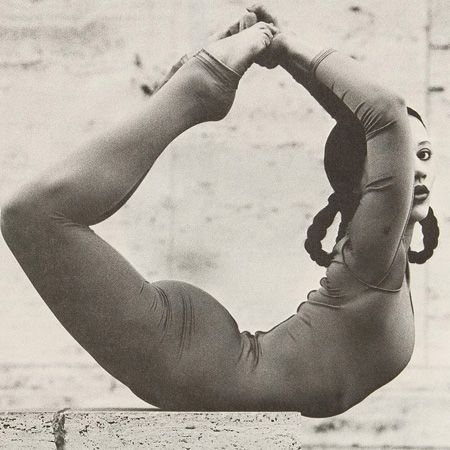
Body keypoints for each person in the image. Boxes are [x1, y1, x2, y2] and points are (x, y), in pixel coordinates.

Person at [0, 4, 439, 418]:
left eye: (424, 155)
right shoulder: (371, 256)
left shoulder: (383, 252)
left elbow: (370, 128)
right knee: (32, 216)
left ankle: (191, 88)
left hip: (201, 355)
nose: (415, 172)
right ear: (369, 181)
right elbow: (385, 115)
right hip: (192, 361)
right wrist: (282, 45)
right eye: (403, 160)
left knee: (38, 217)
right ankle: (195, 87)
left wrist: (290, 60)